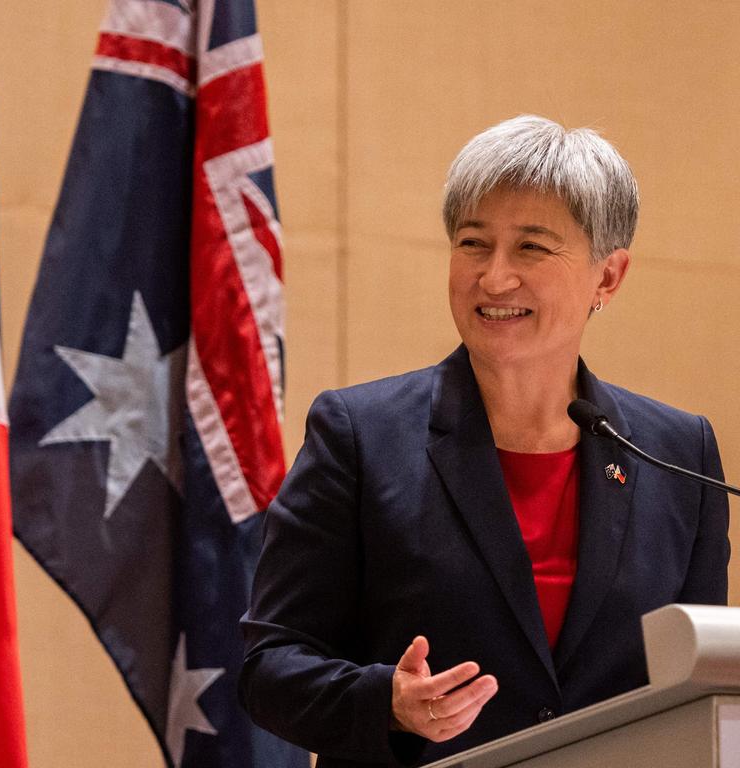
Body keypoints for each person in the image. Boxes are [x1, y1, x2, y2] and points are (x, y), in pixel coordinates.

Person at [238, 115, 730, 767]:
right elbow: (269, 667)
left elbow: (700, 687)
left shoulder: (677, 454)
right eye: (473, 243)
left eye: (531, 248)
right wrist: (386, 699)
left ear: (607, 277)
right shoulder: (359, 435)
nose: (495, 278)